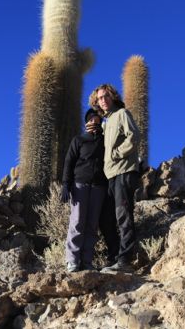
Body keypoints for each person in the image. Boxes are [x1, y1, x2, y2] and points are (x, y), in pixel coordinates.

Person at [88, 84, 140, 272]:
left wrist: (116, 153)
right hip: (110, 175)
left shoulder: (121, 114)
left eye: (106, 96)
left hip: (124, 171)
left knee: (123, 215)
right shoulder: (106, 122)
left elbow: (134, 136)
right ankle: (114, 257)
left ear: (113, 97)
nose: (103, 100)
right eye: (99, 98)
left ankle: (125, 260)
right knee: (106, 218)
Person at [61, 108, 107, 272]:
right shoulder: (79, 140)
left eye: (97, 119)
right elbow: (69, 162)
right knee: (77, 222)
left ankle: (87, 261)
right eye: (92, 119)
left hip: (99, 186)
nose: (95, 121)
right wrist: (66, 184)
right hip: (80, 184)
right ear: (87, 122)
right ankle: (72, 260)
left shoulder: (105, 141)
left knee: (92, 225)